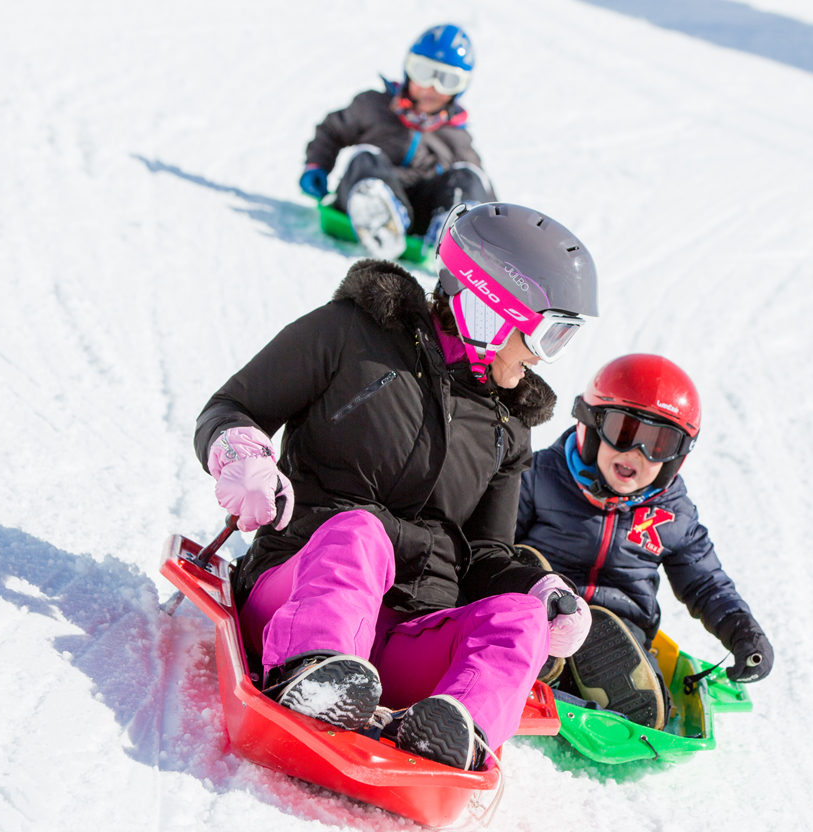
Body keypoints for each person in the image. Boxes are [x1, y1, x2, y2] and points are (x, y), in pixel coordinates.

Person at [193, 203, 599, 771]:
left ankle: (455, 730)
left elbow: (485, 554)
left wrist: (539, 594)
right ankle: (313, 673)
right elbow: (233, 406)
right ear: (495, 309)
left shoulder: (507, 425)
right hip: (298, 593)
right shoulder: (350, 334)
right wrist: (240, 453)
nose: (542, 356)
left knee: (519, 620)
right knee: (361, 531)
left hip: (406, 634)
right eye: (550, 334)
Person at [515, 354, 774, 731]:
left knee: (647, 696)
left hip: (617, 631)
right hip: (548, 602)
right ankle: (539, 651)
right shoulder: (539, 476)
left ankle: (583, 691)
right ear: (591, 425)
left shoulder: (673, 514)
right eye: (623, 432)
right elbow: (494, 541)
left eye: (659, 443)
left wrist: (743, 633)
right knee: (524, 577)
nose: (636, 453)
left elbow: (705, 582)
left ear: (676, 457)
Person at [299, 23, 496, 259]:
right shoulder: (374, 106)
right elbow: (332, 130)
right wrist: (316, 165)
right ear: (408, 69)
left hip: (424, 218)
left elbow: (482, 188)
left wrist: (496, 230)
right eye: (423, 72)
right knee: (365, 156)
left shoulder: (457, 137)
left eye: (448, 80)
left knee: (468, 173)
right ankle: (377, 215)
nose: (431, 87)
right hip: (361, 200)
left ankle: (455, 235)